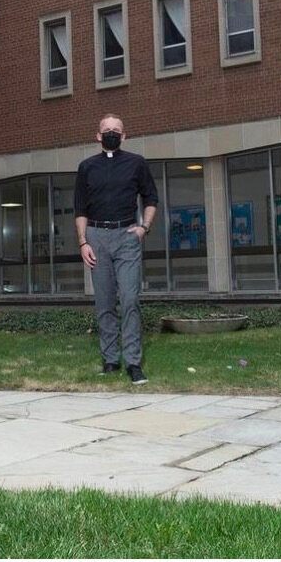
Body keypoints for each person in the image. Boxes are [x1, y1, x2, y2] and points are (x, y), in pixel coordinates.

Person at [74, 114, 159, 385]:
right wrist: (83, 242)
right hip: (96, 237)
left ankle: (133, 362)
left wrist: (144, 227)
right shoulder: (86, 167)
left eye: (116, 130)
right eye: (106, 130)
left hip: (126, 236)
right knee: (105, 301)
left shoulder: (136, 164)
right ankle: (110, 359)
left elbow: (151, 198)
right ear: (98, 136)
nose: (111, 133)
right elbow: (80, 209)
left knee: (130, 298)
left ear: (124, 136)